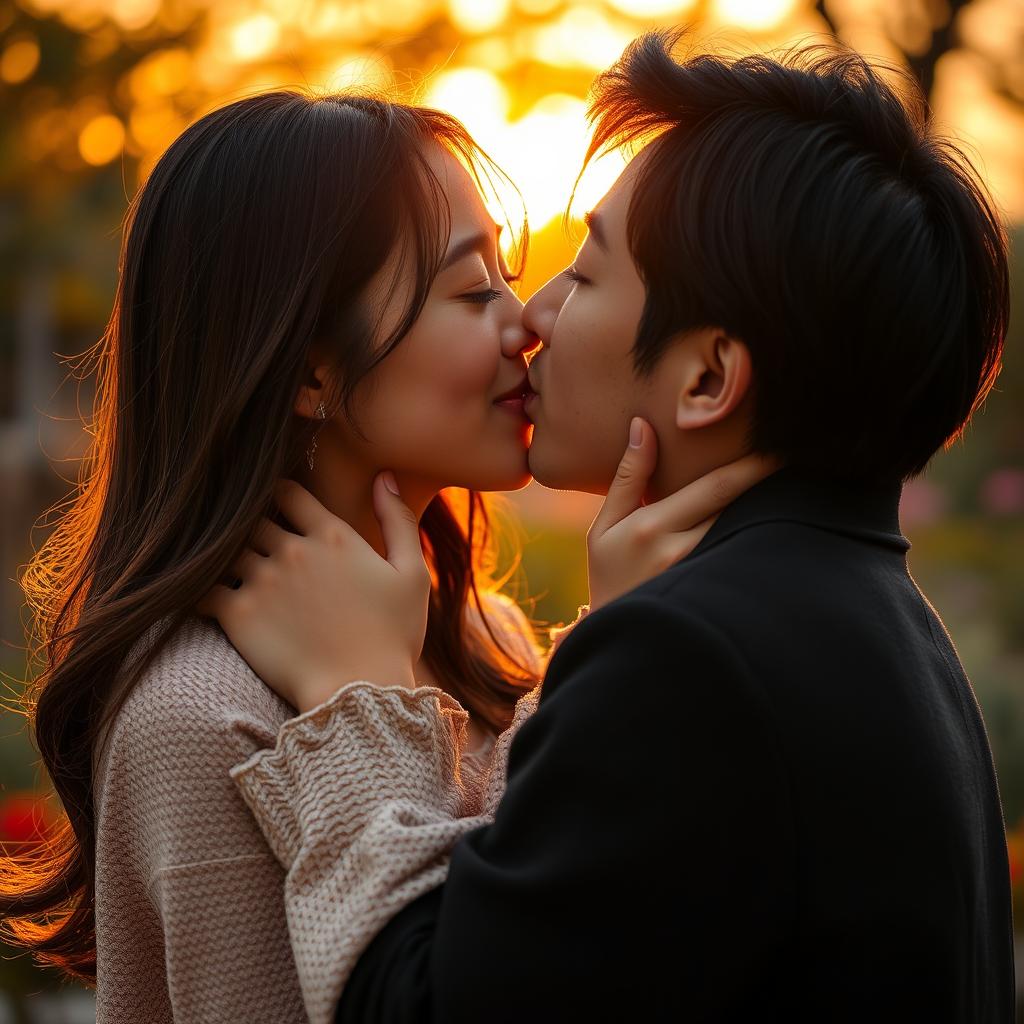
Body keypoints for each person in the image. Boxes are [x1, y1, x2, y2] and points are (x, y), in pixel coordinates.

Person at [207, 29, 1016, 1024]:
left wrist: (352, 693)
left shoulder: (693, 658)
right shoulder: (885, 623)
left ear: (708, 377)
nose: (534, 312)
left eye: (582, 276)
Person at [0, 88, 764, 1021]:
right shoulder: (197, 716)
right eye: (474, 291)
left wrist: (605, 650)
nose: (526, 324)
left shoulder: (488, 632)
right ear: (313, 368)